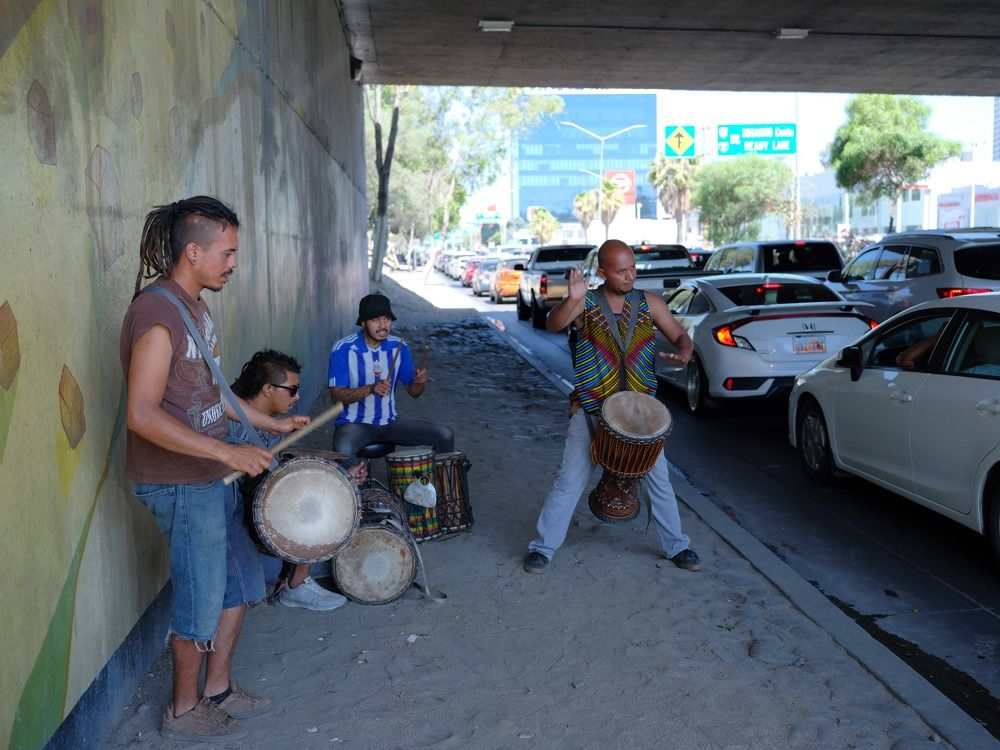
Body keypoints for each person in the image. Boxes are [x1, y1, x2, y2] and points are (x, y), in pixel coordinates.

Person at [121, 196, 308, 743]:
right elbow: (140, 413)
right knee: (200, 601)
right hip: (182, 486)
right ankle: (183, 711)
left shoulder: (195, 308)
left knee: (235, 587)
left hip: (210, 479)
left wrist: (263, 423)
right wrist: (229, 454)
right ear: (194, 250)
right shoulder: (157, 315)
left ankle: (217, 690)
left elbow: (213, 393)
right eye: (227, 253)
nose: (233, 263)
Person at [523, 239, 702, 574]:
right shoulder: (585, 302)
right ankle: (543, 548)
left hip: (640, 414)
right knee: (570, 480)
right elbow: (552, 323)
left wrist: (685, 349)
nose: (629, 275)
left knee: (658, 479)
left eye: (633, 268)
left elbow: (681, 336)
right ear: (602, 272)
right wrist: (572, 299)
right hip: (591, 408)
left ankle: (678, 546)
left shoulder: (649, 303)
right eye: (621, 271)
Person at [229, 349, 368, 611]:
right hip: (243, 532)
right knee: (320, 526)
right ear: (268, 389)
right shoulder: (231, 426)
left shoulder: (269, 423)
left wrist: (338, 478)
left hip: (262, 525)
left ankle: (295, 578)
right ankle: (296, 586)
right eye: (292, 390)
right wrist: (330, 485)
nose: (297, 396)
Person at [328, 293, 453, 461]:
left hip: (391, 422)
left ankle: (437, 486)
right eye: (375, 320)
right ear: (363, 322)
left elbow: (414, 392)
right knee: (343, 450)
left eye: (387, 319)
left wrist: (420, 382)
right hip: (354, 424)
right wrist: (371, 389)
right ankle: (358, 487)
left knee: (445, 435)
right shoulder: (343, 348)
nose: (382, 326)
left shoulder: (398, 346)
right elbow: (336, 396)